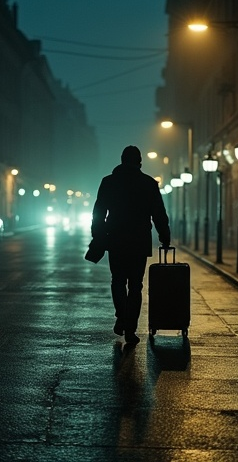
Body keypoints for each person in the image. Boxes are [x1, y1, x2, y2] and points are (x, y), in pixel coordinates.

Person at [90, 145, 171, 344]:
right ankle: (130, 329)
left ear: (121, 160)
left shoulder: (109, 182)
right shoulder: (149, 183)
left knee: (117, 280)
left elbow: (99, 212)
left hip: (116, 239)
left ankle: (121, 316)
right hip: (139, 240)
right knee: (136, 286)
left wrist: (98, 235)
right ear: (139, 161)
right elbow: (158, 213)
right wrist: (164, 236)